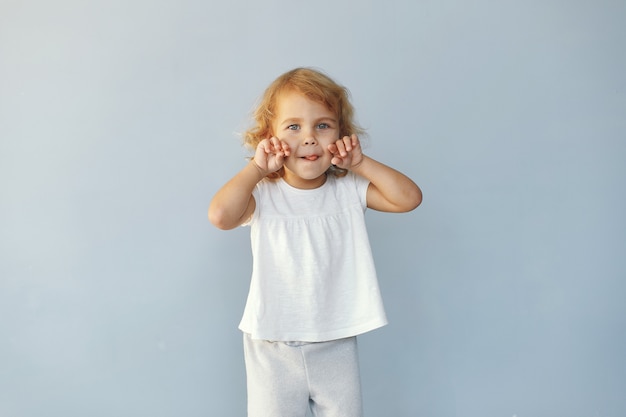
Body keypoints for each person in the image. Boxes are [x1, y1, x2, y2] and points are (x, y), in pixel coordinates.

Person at [208, 67, 422, 417]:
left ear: (342, 135)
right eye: (293, 127)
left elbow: (409, 198)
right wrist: (256, 170)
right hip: (272, 343)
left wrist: (361, 163)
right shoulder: (262, 194)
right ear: (269, 137)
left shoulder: (348, 190)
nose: (309, 137)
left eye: (323, 125)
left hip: (335, 341)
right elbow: (220, 216)